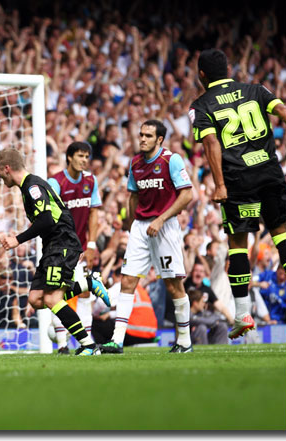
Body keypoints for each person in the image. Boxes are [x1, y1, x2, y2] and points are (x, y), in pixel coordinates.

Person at [190, 48, 286, 339]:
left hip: (237, 182)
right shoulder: (255, 89)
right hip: (269, 173)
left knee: (237, 243)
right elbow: (284, 112)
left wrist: (219, 184)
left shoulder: (201, 104)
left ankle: (243, 314)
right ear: (229, 69)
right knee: (282, 233)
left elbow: (211, 143)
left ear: (201, 75)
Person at [0, 148, 109, 356]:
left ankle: (88, 346)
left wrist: (17, 240)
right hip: (54, 245)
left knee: (51, 299)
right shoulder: (28, 186)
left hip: (61, 244)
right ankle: (87, 283)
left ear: (7, 168)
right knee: (36, 299)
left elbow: (47, 220)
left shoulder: (33, 186)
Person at [102, 120, 193, 354]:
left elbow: (186, 195)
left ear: (159, 139)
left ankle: (184, 340)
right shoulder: (135, 163)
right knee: (128, 280)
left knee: (173, 285)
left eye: (148, 136)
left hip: (165, 227)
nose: (142, 139)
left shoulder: (171, 160)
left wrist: (161, 219)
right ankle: (117, 340)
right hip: (140, 228)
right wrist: (131, 225)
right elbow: (133, 195)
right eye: (141, 134)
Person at [47, 141, 102, 354]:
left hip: (81, 248)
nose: (84, 160)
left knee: (86, 293)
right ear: (69, 157)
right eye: (80, 156)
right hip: (60, 248)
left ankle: (84, 342)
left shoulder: (90, 180)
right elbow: (49, 216)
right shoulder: (56, 182)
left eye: (87, 157)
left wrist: (91, 244)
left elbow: (94, 212)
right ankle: (62, 345)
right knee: (56, 293)